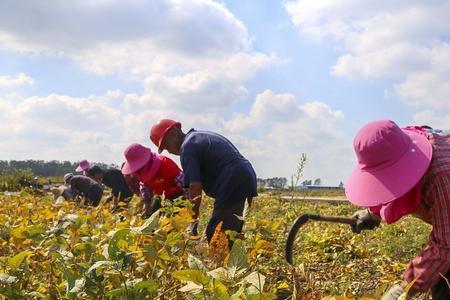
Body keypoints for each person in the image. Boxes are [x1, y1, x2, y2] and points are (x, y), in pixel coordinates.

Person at [345, 120, 450, 299]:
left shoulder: (441, 177)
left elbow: (445, 246)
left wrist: (403, 288)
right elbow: (393, 182)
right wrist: (372, 213)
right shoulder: (396, 144)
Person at [150, 119, 257, 243]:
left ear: (174, 133)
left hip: (233, 180)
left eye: (166, 145)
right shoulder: (198, 137)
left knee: (216, 235)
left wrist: (192, 220)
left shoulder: (187, 147)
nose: (168, 151)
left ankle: (222, 261)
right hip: (244, 175)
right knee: (230, 233)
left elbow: (194, 186)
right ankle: (231, 259)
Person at [122, 143, 185, 217]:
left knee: (173, 217)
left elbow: (185, 184)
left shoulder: (165, 164)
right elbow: (144, 186)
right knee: (150, 216)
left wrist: (191, 204)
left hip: (178, 196)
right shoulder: (140, 173)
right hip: (162, 198)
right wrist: (147, 204)